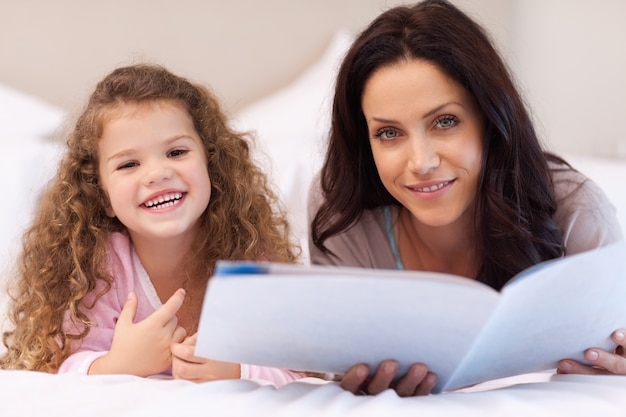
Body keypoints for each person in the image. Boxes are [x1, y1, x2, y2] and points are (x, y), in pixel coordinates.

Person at [309, 0, 625, 397]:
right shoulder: (340, 208)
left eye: (445, 122)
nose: (421, 163)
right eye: (388, 133)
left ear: (491, 121)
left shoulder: (576, 210)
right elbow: (340, 365)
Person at [0, 63, 305, 387]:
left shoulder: (248, 253)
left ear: (212, 167)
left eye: (176, 152)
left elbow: (296, 369)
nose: (157, 173)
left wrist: (236, 371)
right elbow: (55, 367)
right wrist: (117, 364)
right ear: (101, 196)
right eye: (129, 164)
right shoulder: (98, 267)